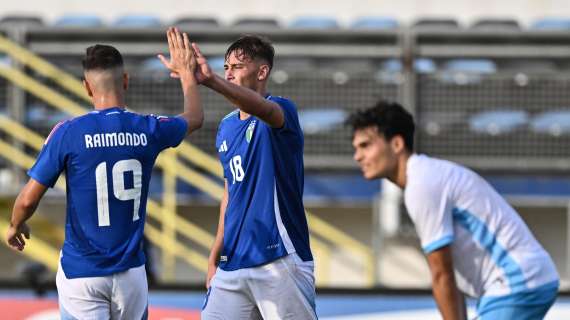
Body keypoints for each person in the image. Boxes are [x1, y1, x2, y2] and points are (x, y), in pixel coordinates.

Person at [5, 27, 203, 319]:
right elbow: (195, 118)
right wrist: (187, 73)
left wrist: (15, 224)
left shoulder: (68, 133)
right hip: (131, 274)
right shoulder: (148, 128)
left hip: (83, 274)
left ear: (87, 86)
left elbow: (26, 200)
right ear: (125, 80)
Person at [348, 100, 559, 320]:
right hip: (524, 281)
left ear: (397, 144)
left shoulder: (421, 184)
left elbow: (441, 275)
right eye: (355, 148)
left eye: (365, 145)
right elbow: (449, 276)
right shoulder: (425, 176)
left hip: (518, 284)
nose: (358, 156)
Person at [181, 34, 316, 319]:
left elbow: (262, 108)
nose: (228, 72)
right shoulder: (226, 127)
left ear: (262, 71)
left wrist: (212, 80)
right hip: (233, 263)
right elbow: (231, 191)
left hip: (279, 258)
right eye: (226, 67)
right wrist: (215, 253)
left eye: (237, 67)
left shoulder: (282, 111)